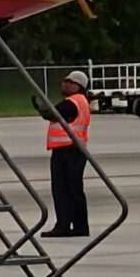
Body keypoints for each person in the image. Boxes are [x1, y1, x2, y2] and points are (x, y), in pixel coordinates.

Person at [43, 68, 93, 238]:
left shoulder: (72, 102)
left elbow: (51, 114)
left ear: (77, 86)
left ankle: (63, 225)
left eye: (68, 82)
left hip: (67, 150)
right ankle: (80, 226)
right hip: (76, 150)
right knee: (74, 189)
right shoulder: (81, 101)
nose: (63, 84)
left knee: (62, 189)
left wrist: (41, 107)